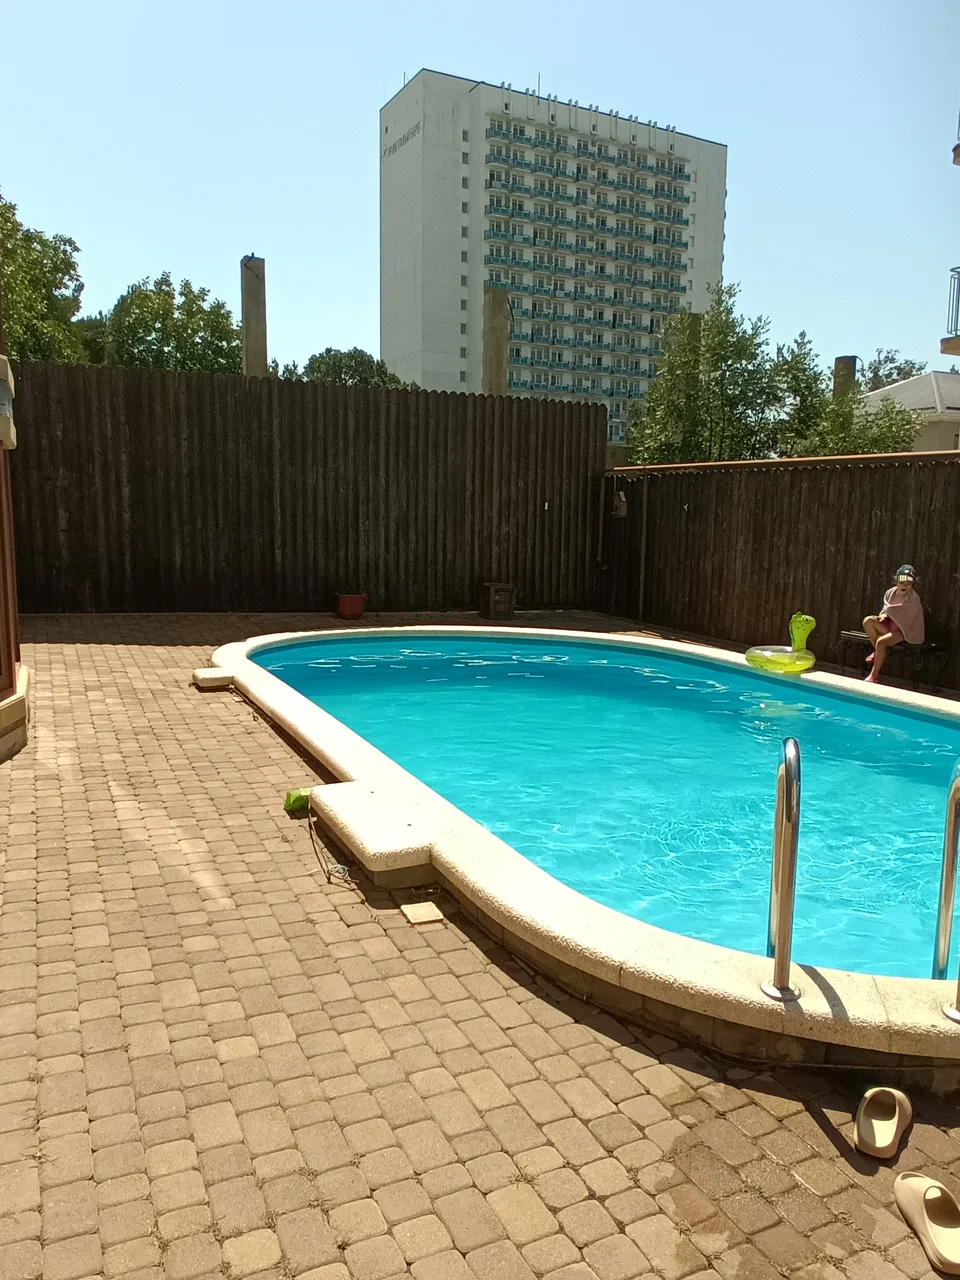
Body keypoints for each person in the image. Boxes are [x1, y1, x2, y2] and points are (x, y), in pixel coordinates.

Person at [862, 564, 924, 684]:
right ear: (896, 580)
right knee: (868, 621)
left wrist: (890, 615)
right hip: (888, 627)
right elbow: (887, 610)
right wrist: (882, 616)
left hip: (903, 632)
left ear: (913, 583)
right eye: (901, 581)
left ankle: (873, 675)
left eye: (908, 582)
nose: (904, 585)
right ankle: (878, 651)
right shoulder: (890, 593)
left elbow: (909, 618)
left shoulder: (913, 598)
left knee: (881, 641)